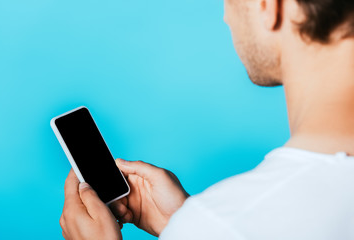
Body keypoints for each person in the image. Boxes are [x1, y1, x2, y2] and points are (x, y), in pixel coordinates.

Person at [59, 0, 354, 239]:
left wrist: (201, 226)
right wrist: (184, 223)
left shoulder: (226, 224)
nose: (226, 16)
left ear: (269, 6)